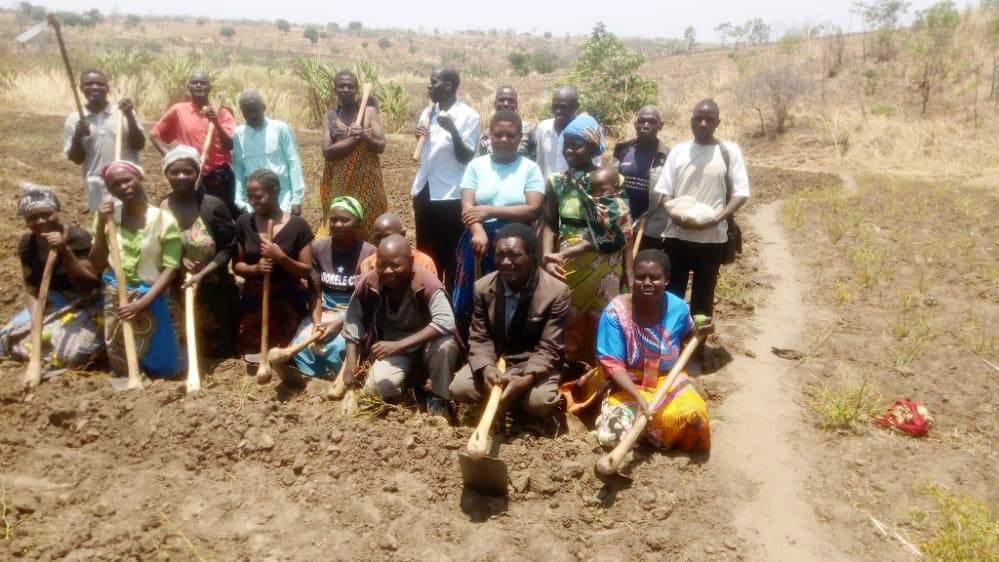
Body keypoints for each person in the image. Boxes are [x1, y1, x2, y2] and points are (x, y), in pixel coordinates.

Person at [451, 223, 570, 422]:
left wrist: (526, 379)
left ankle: (510, 399)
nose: (506, 262)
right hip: (497, 361)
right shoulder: (482, 288)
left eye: (515, 255)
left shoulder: (556, 292)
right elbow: (480, 336)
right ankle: (506, 398)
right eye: (500, 255)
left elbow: (549, 348)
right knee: (460, 388)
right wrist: (487, 368)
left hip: (532, 365)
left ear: (532, 255)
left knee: (540, 403)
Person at [594, 249, 711, 452]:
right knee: (612, 436)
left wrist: (703, 331)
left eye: (655, 278)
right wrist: (639, 399)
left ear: (666, 279)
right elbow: (612, 365)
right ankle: (652, 429)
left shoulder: (678, 308)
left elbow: (688, 337)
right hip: (626, 386)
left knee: (695, 421)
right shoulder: (615, 313)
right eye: (640, 277)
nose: (647, 283)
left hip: (665, 381)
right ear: (633, 279)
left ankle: (650, 430)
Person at [652, 99, 749, 338]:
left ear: (718, 122)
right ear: (691, 120)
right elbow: (664, 191)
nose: (703, 123)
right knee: (672, 294)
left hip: (712, 239)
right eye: (698, 118)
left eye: (709, 119)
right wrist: (674, 214)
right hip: (678, 236)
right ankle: (672, 344)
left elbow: (740, 193)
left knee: (704, 296)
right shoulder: (679, 151)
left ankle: (698, 347)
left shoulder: (728, 152)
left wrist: (716, 219)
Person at [541, 115, 633, 365]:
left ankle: (602, 373)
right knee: (565, 317)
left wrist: (629, 271)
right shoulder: (556, 182)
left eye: (577, 144)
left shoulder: (612, 179)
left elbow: (623, 230)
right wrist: (547, 260)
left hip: (607, 260)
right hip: (567, 261)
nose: (569, 150)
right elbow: (549, 224)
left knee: (604, 319)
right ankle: (569, 372)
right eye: (566, 144)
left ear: (593, 147)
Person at [341, 234, 461, 421]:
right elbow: (352, 323)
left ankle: (438, 397)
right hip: (396, 353)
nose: (388, 271)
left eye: (395, 265)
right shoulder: (369, 283)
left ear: (411, 261)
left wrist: (398, 345)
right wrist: (350, 365)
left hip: (428, 348)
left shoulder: (427, 283)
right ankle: (409, 382)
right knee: (375, 389)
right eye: (382, 265)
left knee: (446, 346)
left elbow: (446, 321)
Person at [452, 110, 544, 342]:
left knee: (515, 296)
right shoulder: (476, 166)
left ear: (520, 137)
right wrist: (478, 230)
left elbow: (533, 209)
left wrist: (490, 210)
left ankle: (514, 349)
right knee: (474, 297)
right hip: (478, 240)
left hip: (517, 243)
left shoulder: (529, 168)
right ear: (490, 136)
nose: (504, 140)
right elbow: (467, 206)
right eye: (498, 134)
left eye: (510, 135)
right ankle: (470, 348)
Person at [88, 161, 184, 379]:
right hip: (117, 296)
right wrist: (103, 223)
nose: (123, 187)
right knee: (123, 360)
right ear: (110, 190)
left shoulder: (162, 219)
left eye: (127, 180)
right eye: (115, 185)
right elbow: (96, 261)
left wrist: (143, 301)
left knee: (165, 365)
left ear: (139, 179)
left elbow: (171, 267)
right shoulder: (108, 217)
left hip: (153, 294)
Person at [1, 185, 103, 377]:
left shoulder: (78, 238)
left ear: (56, 212)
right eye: (32, 217)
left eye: (46, 214)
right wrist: (35, 321)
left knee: (70, 353)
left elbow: (88, 285)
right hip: (54, 300)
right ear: (25, 220)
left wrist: (65, 251)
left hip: (87, 301)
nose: (40, 221)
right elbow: (32, 289)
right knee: (5, 338)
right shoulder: (27, 244)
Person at [281, 196, 375, 384]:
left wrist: (339, 323)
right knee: (303, 341)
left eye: (345, 220)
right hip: (324, 309)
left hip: (354, 311)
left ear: (357, 222)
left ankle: (342, 377)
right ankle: (309, 375)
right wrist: (317, 322)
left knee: (339, 345)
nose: (338, 224)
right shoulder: (318, 248)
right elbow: (314, 291)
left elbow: (365, 302)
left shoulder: (369, 253)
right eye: (333, 219)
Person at [160, 145, 239, 360]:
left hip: (213, 286)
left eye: (188, 171)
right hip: (178, 289)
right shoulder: (161, 208)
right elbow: (159, 248)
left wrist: (202, 273)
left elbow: (228, 247)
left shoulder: (212, 206)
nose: (182, 176)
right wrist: (178, 260)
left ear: (198, 174)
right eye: (175, 172)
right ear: (166, 174)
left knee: (219, 351)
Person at [233, 169, 315, 360]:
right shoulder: (244, 222)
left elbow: (306, 270)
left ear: (276, 190)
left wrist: (280, 257)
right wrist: (255, 269)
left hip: (288, 300)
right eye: (249, 197)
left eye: (258, 197)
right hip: (255, 298)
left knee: (285, 355)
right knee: (250, 353)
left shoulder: (298, 226)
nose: (253, 202)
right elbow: (237, 265)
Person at [411, 68, 481, 290]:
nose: (429, 86)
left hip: (451, 193)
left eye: (434, 82)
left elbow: (466, 157)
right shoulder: (428, 111)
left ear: (449, 85)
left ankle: (451, 304)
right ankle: (428, 296)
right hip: (425, 189)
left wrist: (452, 130)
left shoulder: (469, 116)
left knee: (451, 253)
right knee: (426, 251)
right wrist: (419, 135)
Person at [149, 72, 239, 217]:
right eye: (194, 82)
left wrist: (215, 122)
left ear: (210, 88)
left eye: (203, 83)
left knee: (225, 215)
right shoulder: (178, 110)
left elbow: (230, 144)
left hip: (220, 176)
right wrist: (172, 157)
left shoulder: (222, 113)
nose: (198, 85)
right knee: (195, 215)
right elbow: (155, 135)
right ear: (188, 87)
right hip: (192, 176)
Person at [318, 70, 388, 241]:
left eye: (350, 86)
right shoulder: (330, 117)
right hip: (339, 184)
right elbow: (328, 152)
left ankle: (367, 264)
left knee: (368, 227)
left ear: (356, 90)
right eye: (341, 86)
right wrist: (356, 139)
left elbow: (381, 146)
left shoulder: (369, 112)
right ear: (335, 90)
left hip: (367, 185)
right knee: (337, 226)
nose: (346, 89)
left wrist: (364, 136)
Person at [64, 69, 145, 212]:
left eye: (99, 84)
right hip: (97, 186)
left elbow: (139, 144)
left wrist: (130, 117)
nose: (94, 87)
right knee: (106, 229)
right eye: (89, 84)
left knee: (136, 227)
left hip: (128, 184)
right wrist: (77, 136)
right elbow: (76, 159)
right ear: (81, 88)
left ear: (107, 88)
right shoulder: (74, 119)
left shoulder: (123, 112)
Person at [233, 91, 307, 217]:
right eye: (247, 111)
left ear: (263, 108)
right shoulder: (239, 134)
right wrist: (239, 200)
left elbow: (293, 162)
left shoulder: (280, 128)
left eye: (255, 110)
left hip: (282, 197)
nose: (252, 115)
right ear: (241, 111)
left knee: (283, 234)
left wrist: (296, 200)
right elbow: (239, 168)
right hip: (255, 201)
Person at [612, 106, 670, 247]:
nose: (645, 126)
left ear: (660, 126)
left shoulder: (668, 156)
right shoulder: (622, 149)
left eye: (652, 122)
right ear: (635, 125)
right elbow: (611, 181)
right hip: (622, 222)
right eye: (642, 121)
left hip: (650, 226)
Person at [534, 86, 602, 179]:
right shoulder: (543, 127)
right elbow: (540, 163)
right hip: (548, 190)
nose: (558, 111)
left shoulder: (587, 130)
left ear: (576, 106)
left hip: (576, 190)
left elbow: (595, 163)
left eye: (564, 107)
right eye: (555, 106)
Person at [358, 213, 437, 276]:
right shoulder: (368, 264)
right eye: (378, 237)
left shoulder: (423, 263)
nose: (383, 242)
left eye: (388, 236)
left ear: (402, 235)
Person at [476, 86, 536, 160]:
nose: (506, 104)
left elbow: (537, 159)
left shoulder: (530, 130)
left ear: (516, 104)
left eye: (511, 101)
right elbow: (483, 161)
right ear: (495, 104)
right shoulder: (486, 134)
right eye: (501, 100)